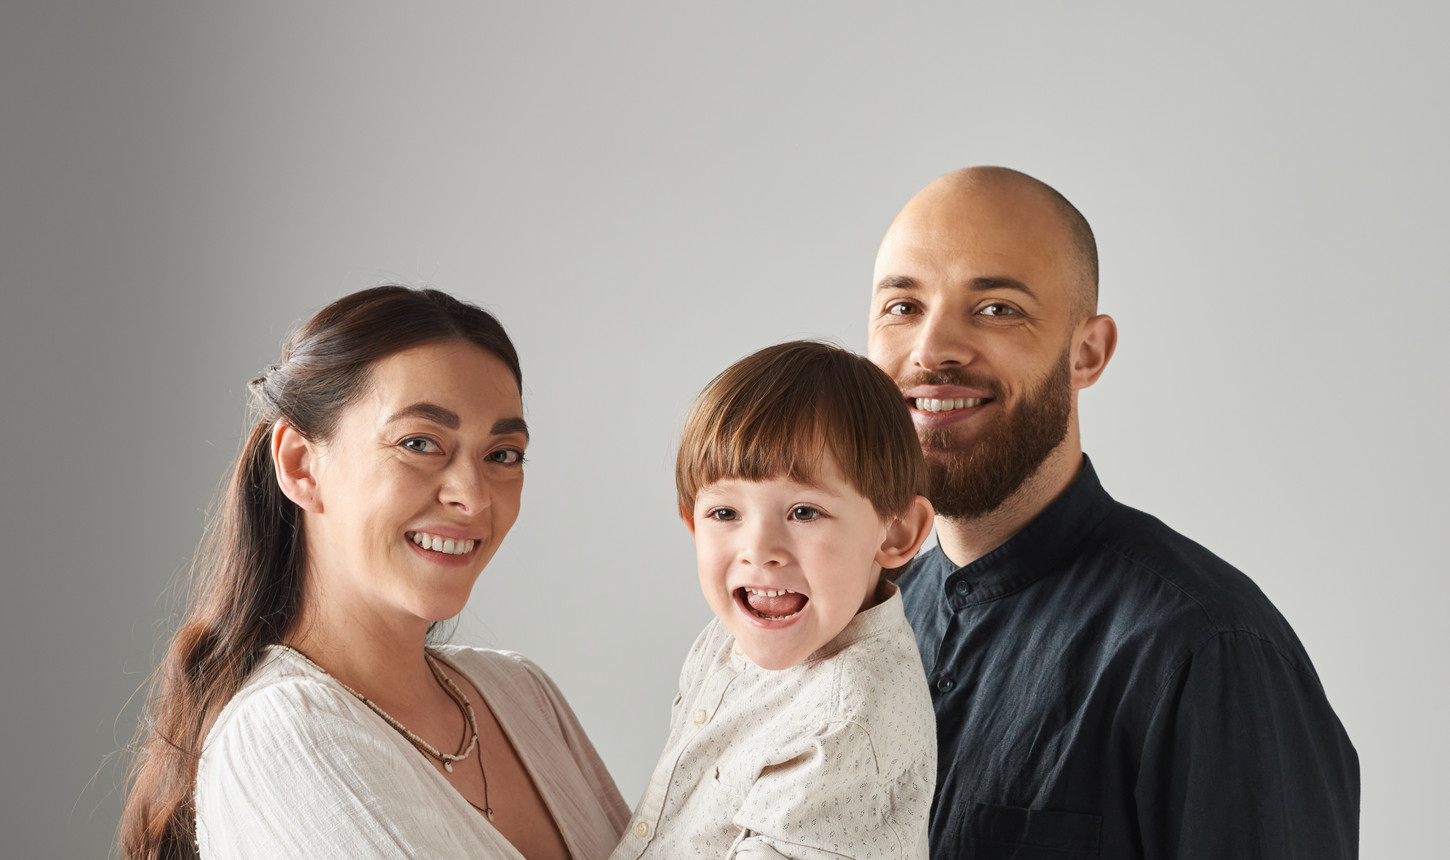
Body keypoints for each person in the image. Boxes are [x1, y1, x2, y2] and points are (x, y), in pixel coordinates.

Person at [867, 167, 1360, 859]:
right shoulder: (863, 618)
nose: (931, 349)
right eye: (902, 307)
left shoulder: (1208, 650)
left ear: (1087, 353)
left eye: (998, 309)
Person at [121, 286, 629, 859]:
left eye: (502, 454)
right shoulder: (283, 731)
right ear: (301, 465)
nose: (473, 497)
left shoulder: (524, 696)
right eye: (420, 443)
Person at [611, 341, 938, 860]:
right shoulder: (725, 638)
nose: (759, 550)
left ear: (896, 532)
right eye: (725, 514)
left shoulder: (843, 721)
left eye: (804, 512)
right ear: (692, 522)